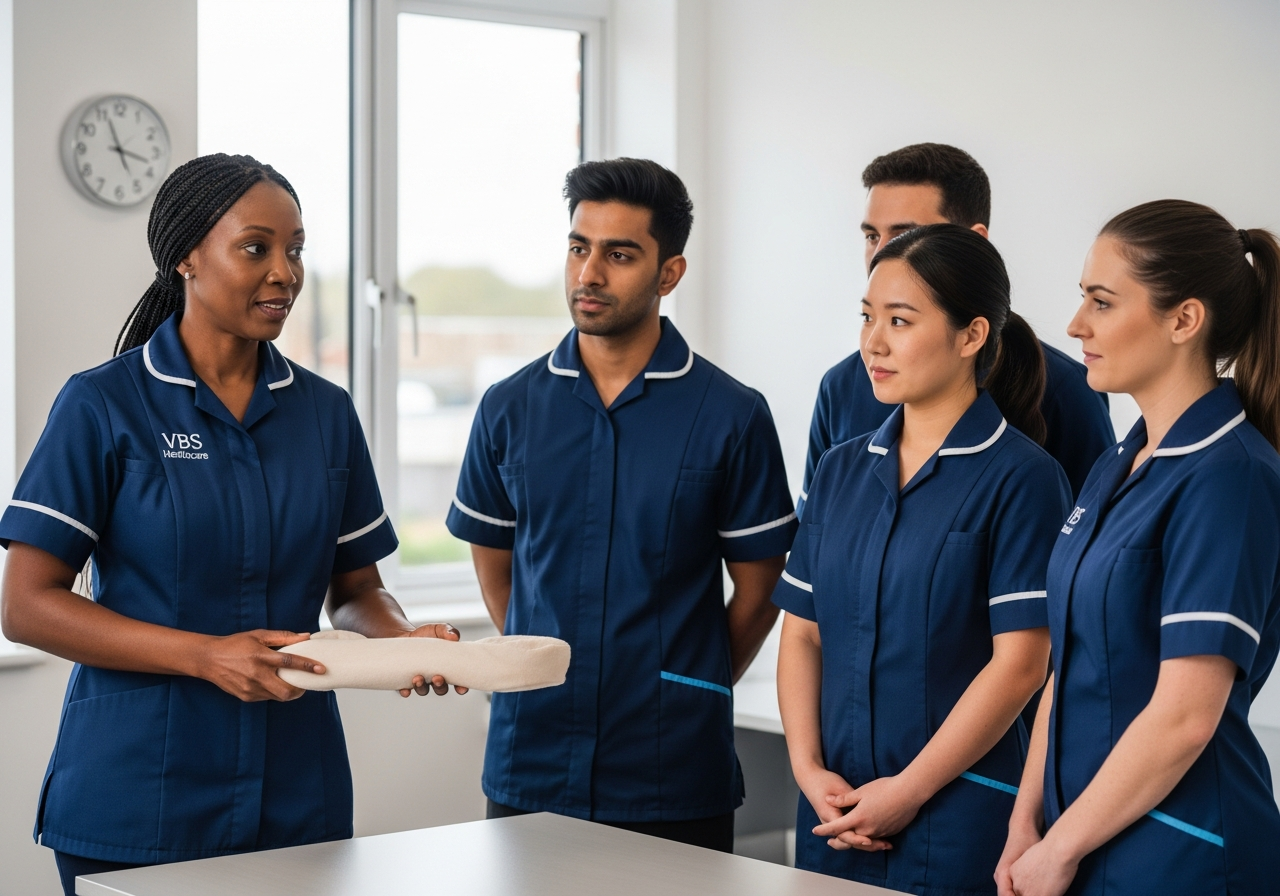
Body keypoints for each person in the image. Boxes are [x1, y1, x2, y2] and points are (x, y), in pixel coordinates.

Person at [0, 154, 463, 896]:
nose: (285, 272)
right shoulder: (104, 406)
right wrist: (205, 655)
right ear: (185, 256)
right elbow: (26, 604)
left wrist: (398, 639)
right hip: (137, 798)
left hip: (294, 793)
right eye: (256, 248)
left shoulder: (324, 413)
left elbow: (354, 591)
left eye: (296, 250)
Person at [446, 158, 796, 852]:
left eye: (619, 254)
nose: (589, 274)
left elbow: (760, 588)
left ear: (669, 274)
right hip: (532, 760)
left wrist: (687, 685)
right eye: (579, 247)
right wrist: (537, 664)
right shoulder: (509, 407)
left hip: (673, 767)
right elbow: (497, 567)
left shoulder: (731, 415)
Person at [775, 224, 1071, 894]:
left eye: (900, 321)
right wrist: (807, 769)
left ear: (971, 336)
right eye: (868, 317)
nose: (873, 341)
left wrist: (908, 790)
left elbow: (1022, 663)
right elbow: (802, 631)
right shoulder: (842, 468)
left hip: (958, 818)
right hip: (834, 811)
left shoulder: (1024, 479)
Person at [996, 201, 1280, 896]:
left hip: (1182, 855)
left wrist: (1059, 847)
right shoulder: (1118, 462)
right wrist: (1025, 821)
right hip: (1083, 835)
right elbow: (1069, 662)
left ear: (1184, 320)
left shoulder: (1229, 475)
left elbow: (1186, 716)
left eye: (1102, 301)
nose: (1074, 326)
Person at [800, 143, 1113, 511]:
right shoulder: (840, 387)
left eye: (903, 235)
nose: (881, 254)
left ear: (974, 241)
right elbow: (815, 537)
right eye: (872, 236)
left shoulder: (1063, 390)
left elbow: (1089, 545)